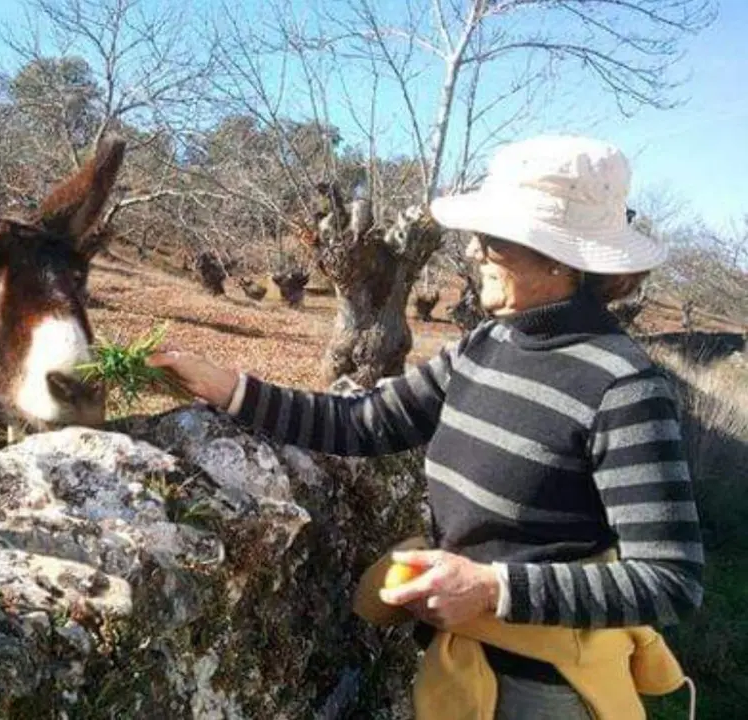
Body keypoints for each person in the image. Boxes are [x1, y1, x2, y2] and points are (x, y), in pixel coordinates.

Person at [148, 136, 703, 718]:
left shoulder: (624, 385)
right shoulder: (486, 344)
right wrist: (228, 388)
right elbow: (364, 422)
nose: (473, 250)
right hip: (461, 671)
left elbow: (669, 578)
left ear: (558, 258)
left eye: (492, 239)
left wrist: (491, 590)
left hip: (547, 692)